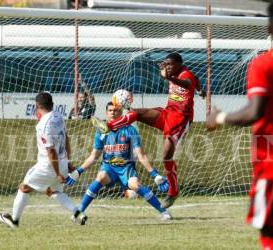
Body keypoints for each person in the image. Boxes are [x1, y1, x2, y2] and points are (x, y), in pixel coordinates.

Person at [92, 52, 205, 208]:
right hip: (168, 113)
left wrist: (169, 78)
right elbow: (197, 82)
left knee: (166, 156)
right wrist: (201, 91)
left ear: (179, 64)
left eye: (170, 64)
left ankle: (173, 191)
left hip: (180, 120)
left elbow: (188, 83)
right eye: (166, 64)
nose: (168, 67)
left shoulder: (186, 75)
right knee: (137, 113)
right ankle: (108, 126)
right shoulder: (177, 73)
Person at [206, 2, 273, 249]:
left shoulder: (264, 64)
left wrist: (220, 117)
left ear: (269, 27)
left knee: (268, 232)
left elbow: (255, 111)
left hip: (270, 165)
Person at [66, 102, 172, 224]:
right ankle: (79, 212)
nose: (113, 112)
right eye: (110, 110)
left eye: (116, 110)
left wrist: (155, 174)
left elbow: (141, 155)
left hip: (126, 168)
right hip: (109, 168)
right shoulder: (101, 131)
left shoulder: (130, 130)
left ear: (121, 113)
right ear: (106, 113)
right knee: (100, 177)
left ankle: (164, 212)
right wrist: (78, 172)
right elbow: (94, 156)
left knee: (136, 186)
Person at [0, 92, 87, 228]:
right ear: (52, 104)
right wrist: (67, 162)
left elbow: (51, 151)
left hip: (49, 166)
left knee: (24, 188)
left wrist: (57, 173)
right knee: (53, 191)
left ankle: (14, 221)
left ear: (37, 106)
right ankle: (77, 213)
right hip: (61, 162)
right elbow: (66, 138)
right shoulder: (59, 116)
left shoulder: (43, 125)